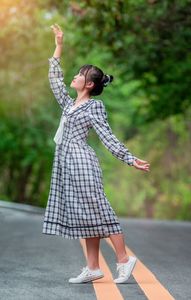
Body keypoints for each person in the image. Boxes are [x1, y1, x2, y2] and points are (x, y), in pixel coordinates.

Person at [42, 23, 150, 284]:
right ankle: (93, 267)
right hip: (67, 164)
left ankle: (124, 260)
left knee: (99, 210)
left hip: (82, 163)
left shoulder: (94, 107)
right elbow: (55, 80)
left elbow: (107, 136)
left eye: (81, 74)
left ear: (89, 84)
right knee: (86, 216)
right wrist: (59, 45)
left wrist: (129, 158)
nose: (76, 76)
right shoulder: (70, 104)